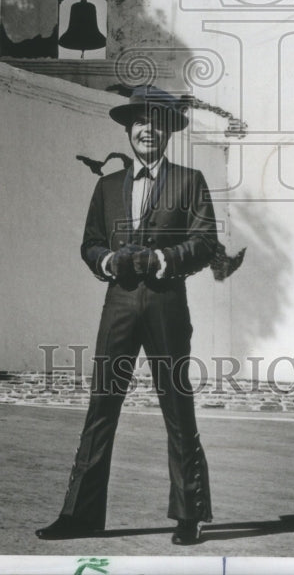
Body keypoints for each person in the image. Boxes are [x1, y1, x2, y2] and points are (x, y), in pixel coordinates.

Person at [36, 85, 218, 546]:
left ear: (169, 132)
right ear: (128, 129)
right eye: (140, 123)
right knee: (102, 407)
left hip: (166, 305)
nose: (147, 130)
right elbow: (90, 242)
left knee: (177, 407)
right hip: (118, 304)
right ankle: (79, 516)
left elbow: (204, 242)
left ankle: (189, 515)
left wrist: (161, 260)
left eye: (157, 123)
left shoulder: (190, 181)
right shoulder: (107, 185)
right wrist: (107, 262)